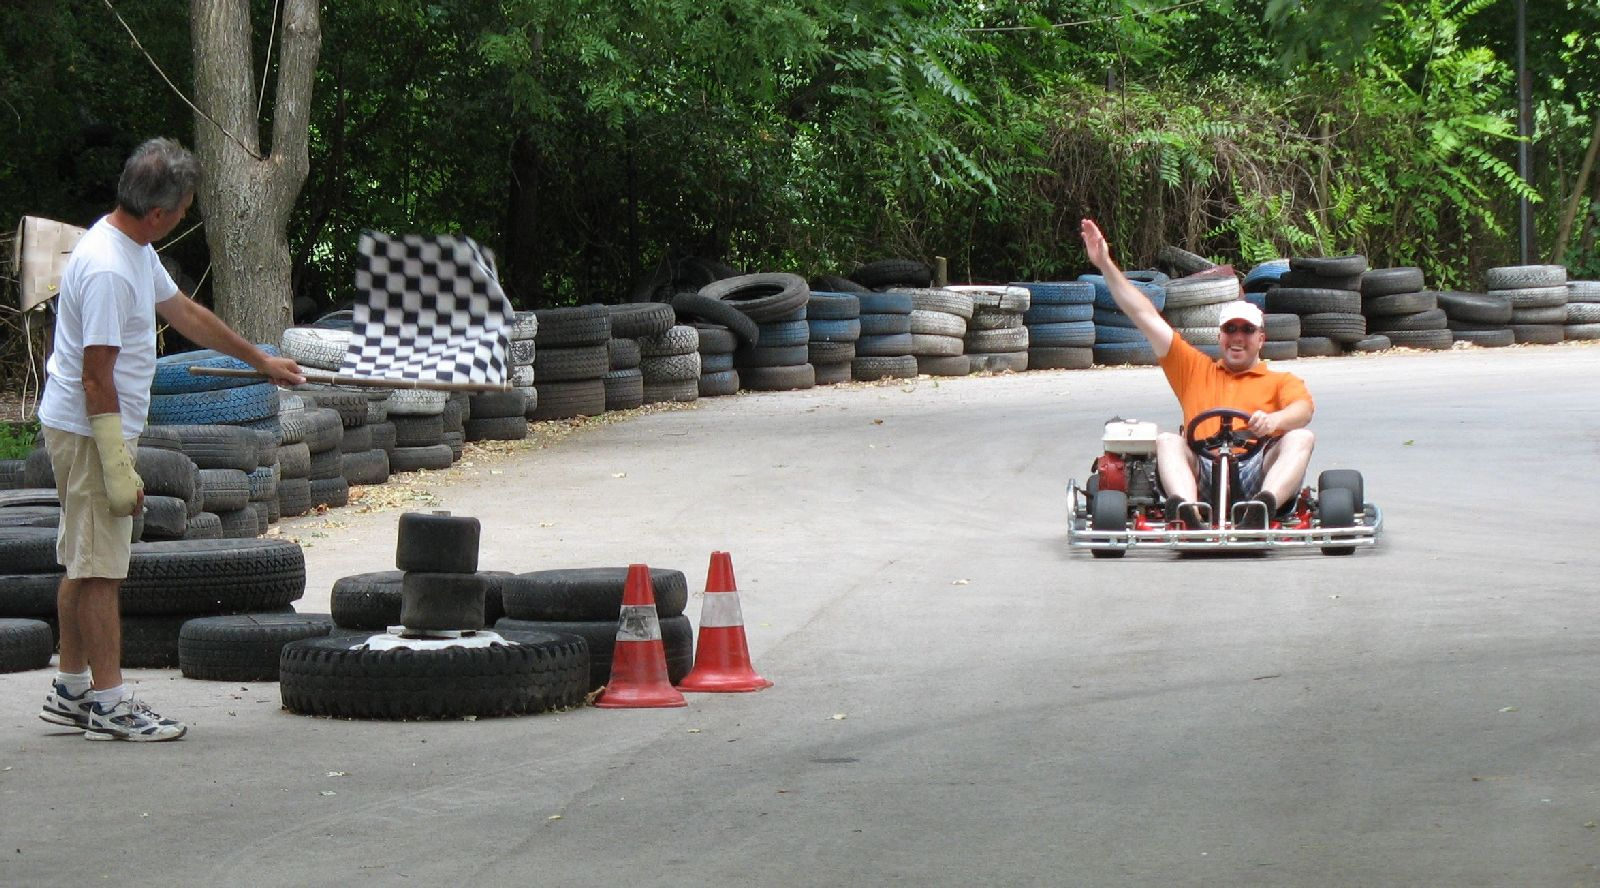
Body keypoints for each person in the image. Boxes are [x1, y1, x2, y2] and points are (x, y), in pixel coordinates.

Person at [37, 138, 304, 741]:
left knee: (83, 559)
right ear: (158, 212)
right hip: (88, 427)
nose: (186, 215)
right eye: (185, 207)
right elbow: (94, 375)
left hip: (89, 422)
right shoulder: (107, 266)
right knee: (102, 569)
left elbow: (184, 313)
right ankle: (110, 706)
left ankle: (72, 691)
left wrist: (258, 361)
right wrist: (115, 466)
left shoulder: (133, 247)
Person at [1079, 218, 1314, 529]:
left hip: (1255, 468)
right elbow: (1144, 314)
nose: (1238, 337)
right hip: (1201, 467)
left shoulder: (1280, 382)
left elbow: (1303, 410)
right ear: (1220, 336)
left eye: (1247, 330)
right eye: (1230, 329)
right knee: (1167, 440)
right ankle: (1188, 510)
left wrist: (1273, 422)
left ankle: (1263, 507)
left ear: (1261, 338)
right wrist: (1105, 264)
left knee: (1301, 437)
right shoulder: (1193, 368)